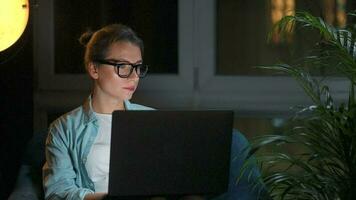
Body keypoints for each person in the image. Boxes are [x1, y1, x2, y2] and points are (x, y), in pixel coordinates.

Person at [42, 24, 153, 200]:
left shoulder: (153, 120)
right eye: (123, 66)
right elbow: (59, 191)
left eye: (138, 67)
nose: (135, 76)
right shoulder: (64, 129)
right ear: (94, 69)